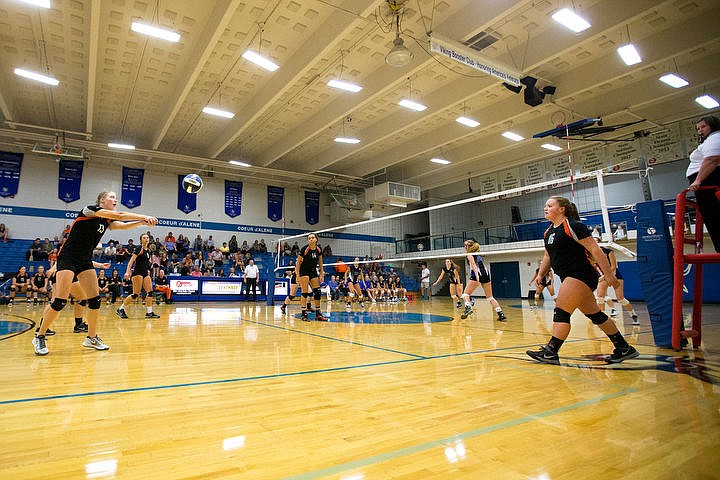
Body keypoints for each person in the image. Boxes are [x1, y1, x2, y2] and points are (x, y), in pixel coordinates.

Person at [32, 191, 157, 355]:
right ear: (102, 200)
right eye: (112, 197)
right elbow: (119, 215)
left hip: (85, 260)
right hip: (68, 258)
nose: (115, 199)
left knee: (95, 300)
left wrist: (142, 222)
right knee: (59, 301)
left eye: (115, 198)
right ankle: (39, 336)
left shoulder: (106, 221)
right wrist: (145, 215)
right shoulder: (89, 210)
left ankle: (91, 338)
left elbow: (122, 224)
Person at [526, 196, 639, 365]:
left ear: (561, 209)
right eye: (545, 206)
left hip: (581, 274)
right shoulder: (548, 231)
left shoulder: (573, 226)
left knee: (562, 311)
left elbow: (596, 249)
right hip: (569, 276)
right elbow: (548, 255)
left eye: (550, 205)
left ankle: (551, 352)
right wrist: (541, 274)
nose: (545, 208)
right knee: (596, 315)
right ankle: (624, 347)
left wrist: (608, 275)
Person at [687, 115, 720, 252]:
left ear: (712, 125)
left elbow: (712, 159)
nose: (700, 130)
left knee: (713, 216)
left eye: (703, 127)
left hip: (707, 183)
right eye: (698, 128)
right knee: (710, 216)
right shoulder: (708, 141)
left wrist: (698, 180)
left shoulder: (715, 138)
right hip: (703, 184)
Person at [116, 233, 161, 319]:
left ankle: (149, 312)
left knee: (150, 292)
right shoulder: (138, 249)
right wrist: (127, 272)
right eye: (144, 238)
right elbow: (131, 261)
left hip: (145, 273)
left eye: (147, 238)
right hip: (137, 273)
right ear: (141, 240)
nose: (146, 239)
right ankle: (120, 309)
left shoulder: (149, 250)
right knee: (135, 294)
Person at [460, 240, 507, 321]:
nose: (465, 247)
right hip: (486, 274)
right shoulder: (478, 254)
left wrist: (477, 276)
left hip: (476, 274)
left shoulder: (469, 254)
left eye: (466, 245)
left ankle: (468, 308)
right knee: (490, 297)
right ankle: (501, 314)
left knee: (465, 294)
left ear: (470, 246)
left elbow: (474, 265)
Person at [595, 239, 639, 325]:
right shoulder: (593, 254)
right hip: (604, 276)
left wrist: (603, 276)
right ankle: (602, 320)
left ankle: (633, 315)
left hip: (614, 275)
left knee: (621, 299)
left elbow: (613, 267)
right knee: (600, 297)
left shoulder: (608, 251)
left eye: (596, 241)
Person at [295, 233, 327, 321]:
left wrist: (321, 274)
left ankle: (318, 313)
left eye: (313, 238)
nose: (311, 239)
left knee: (317, 292)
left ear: (316, 239)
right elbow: (298, 264)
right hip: (304, 271)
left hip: (313, 271)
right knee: (305, 292)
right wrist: (297, 275)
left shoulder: (318, 250)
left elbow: (320, 263)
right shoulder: (304, 249)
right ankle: (303, 313)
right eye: (309, 238)